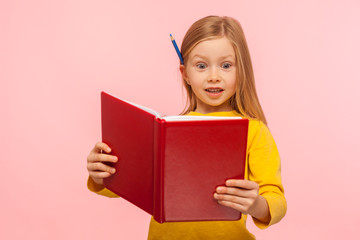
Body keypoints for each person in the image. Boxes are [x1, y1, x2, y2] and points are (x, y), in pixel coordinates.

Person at [87, 15, 286, 240]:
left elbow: (276, 200)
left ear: (241, 72)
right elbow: (133, 186)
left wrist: (256, 204)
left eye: (226, 65)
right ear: (186, 74)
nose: (213, 77)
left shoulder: (254, 130)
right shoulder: (166, 132)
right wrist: (101, 174)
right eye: (201, 66)